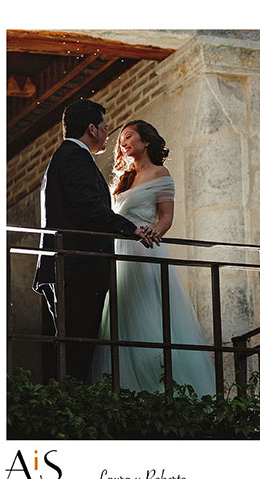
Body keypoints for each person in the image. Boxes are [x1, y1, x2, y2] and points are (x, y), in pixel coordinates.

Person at [90, 120, 215, 397]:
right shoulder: (122, 180)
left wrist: (153, 234)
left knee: (149, 317)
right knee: (121, 317)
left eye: (128, 136)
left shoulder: (161, 173)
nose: (122, 142)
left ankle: (162, 389)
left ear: (145, 141)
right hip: (119, 254)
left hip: (144, 251)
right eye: (121, 139)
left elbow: (166, 217)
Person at [32, 100, 154, 383]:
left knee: (73, 348)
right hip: (75, 270)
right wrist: (131, 229)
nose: (108, 135)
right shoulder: (75, 157)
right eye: (105, 128)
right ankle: (72, 415)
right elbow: (89, 207)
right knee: (76, 350)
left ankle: (73, 409)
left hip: (71, 268)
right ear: (91, 129)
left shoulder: (67, 156)